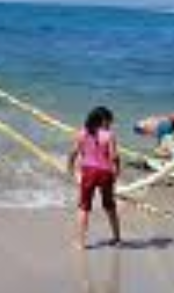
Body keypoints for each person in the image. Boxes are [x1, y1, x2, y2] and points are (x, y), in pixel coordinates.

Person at [67, 106, 122, 249]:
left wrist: (70, 168)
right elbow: (114, 156)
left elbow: (73, 153)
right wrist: (117, 171)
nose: (110, 124)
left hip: (88, 172)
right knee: (110, 206)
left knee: (84, 208)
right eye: (109, 121)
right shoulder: (109, 135)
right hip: (105, 173)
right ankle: (116, 238)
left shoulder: (82, 133)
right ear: (103, 120)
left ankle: (80, 242)